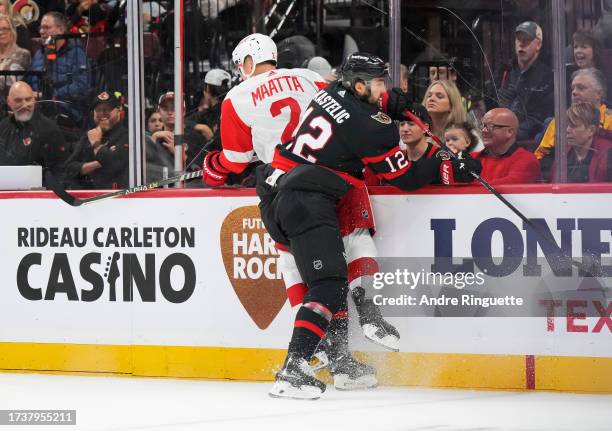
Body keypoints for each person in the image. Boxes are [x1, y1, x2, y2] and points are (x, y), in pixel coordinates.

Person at [258, 52, 481, 399]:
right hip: (306, 199)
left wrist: (400, 102)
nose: (383, 90)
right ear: (360, 85)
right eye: (379, 84)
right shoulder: (369, 128)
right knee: (329, 286)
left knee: (327, 279)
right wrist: (444, 164)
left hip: (284, 190)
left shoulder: (333, 90)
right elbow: (405, 178)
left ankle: (340, 363)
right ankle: (294, 367)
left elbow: (378, 101)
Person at [202, 37, 401, 391]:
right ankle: (340, 357)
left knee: (303, 268)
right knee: (342, 257)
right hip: (332, 171)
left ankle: (315, 355)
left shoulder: (237, 97)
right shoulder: (309, 78)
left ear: (247, 62)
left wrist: (213, 167)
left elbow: (234, 160)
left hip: (280, 178)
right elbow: (353, 101)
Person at [486, 21, 554, 140]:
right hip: (497, 133)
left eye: (527, 40)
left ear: (538, 45)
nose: (521, 44)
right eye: (519, 39)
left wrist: (510, 132)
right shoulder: (504, 71)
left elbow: (538, 118)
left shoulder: (546, 76)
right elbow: (490, 101)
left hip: (525, 139)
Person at [534, 68, 612, 164]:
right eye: (573, 88)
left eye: (581, 88)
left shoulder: (610, 120)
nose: (574, 92)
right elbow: (541, 156)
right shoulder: (558, 121)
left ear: (599, 94)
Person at [28, 12, 91, 125]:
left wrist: (51, 95)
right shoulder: (39, 54)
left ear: (61, 29)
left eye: (46, 27)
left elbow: (82, 86)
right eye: (41, 28)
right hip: (36, 110)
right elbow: (30, 81)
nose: (42, 32)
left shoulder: (76, 53)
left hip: (67, 112)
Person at [0, 81, 67, 184]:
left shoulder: (50, 129)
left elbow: (60, 170)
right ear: (9, 102)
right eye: (18, 100)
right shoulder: (2, 127)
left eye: (28, 99)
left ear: (34, 100)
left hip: (39, 195)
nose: (25, 104)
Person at [63, 90, 129, 189]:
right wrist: (96, 164)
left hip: (115, 198)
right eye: (98, 109)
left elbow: (114, 165)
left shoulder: (127, 136)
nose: (102, 113)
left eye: (107, 109)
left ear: (118, 110)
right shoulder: (88, 135)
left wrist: (96, 144)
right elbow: (68, 169)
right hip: (85, 197)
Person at [549, 102, 612, 183]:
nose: (567, 130)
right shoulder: (563, 154)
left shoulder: (608, 155)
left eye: (573, 126)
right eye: (567, 126)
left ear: (591, 130)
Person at [474, 108, 540, 184]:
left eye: (491, 126)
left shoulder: (526, 160)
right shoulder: (471, 158)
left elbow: (502, 189)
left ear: (510, 132)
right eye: (482, 126)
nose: (484, 130)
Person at [192, 68, 231, 142]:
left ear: (207, 88)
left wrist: (206, 132)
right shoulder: (209, 113)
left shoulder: (221, 114)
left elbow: (220, 144)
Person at [0, 14, 30, 96]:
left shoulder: (22, 54)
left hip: (10, 103)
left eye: (5, 29)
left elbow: (8, 83)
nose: (1, 32)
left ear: (12, 31)